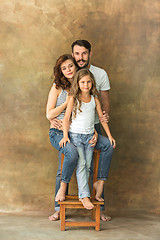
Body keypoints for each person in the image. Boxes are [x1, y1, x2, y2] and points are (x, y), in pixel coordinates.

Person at [50, 40, 114, 221]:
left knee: (92, 163)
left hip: (92, 125)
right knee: (70, 160)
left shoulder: (99, 74)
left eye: (84, 53)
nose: (80, 57)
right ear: (72, 55)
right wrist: (54, 119)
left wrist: (102, 121)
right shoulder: (70, 74)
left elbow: (104, 102)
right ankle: (58, 206)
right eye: (76, 54)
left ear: (90, 54)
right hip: (73, 128)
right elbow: (63, 110)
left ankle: (98, 206)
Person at [59, 69, 116, 210]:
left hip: (90, 137)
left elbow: (102, 119)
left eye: (88, 82)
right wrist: (66, 136)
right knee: (82, 164)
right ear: (78, 83)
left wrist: (109, 136)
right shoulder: (73, 98)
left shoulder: (94, 99)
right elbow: (66, 119)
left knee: (88, 165)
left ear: (92, 83)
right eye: (83, 82)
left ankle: (88, 192)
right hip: (76, 136)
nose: (86, 85)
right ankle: (83, 196)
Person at [46, 54, 79, 221]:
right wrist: (68, 102)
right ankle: (58, 207)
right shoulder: (58, 87)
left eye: (70, 66)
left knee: (82, 166)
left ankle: (94, 205)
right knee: (70, 156)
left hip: (76, 132)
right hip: (57, 133)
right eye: (64, 68)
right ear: (60, 71)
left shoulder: (83, 83)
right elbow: (49, 114)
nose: (68, 70)